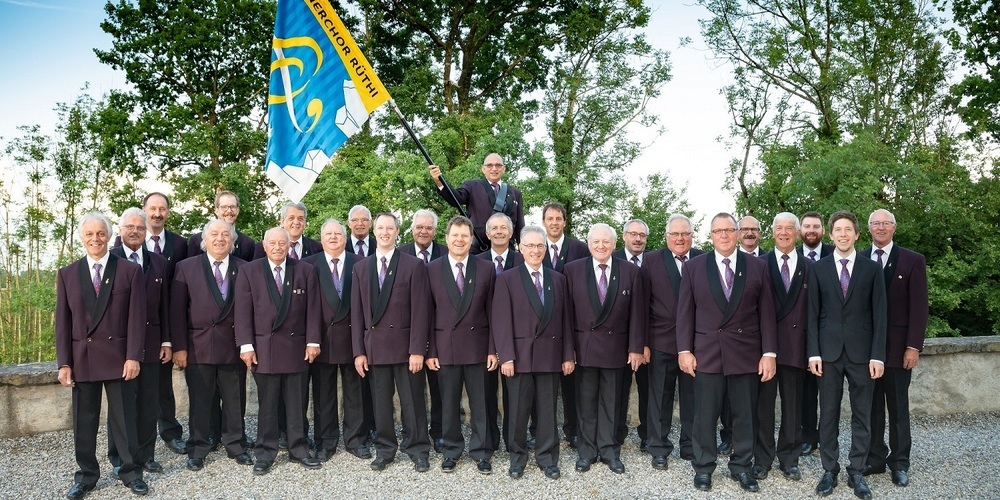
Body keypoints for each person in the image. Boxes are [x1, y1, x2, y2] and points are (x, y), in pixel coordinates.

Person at [677, 212, 778, 493]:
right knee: (705, 415)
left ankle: (742, 467)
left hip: (746, 353)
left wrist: (769, 353)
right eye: (718, 231)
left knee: (744, 415)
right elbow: (685, 312)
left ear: (737, 233)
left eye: (729, 230)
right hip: (707, 352)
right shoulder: (695, 267)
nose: (723, 235)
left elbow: (767, 314)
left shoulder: (757, 267)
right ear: (711, 236)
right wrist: (684, 350)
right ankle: (704, 467)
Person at [56, 212, 149, 498]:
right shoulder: (67, 273)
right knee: (84, 423)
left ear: (110, 236)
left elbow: (137, 317)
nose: (95, 239)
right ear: (82, 238)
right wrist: (64, 363)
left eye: (100, 233)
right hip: (82, 359)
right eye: (89, 234)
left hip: (120, 359)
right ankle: (86, 476)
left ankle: (130, 472)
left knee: (124, 421)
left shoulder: (129, 271)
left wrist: (134, 356)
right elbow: (63, 322)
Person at [807, 210, 887, 499]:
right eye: (837, 230)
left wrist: (878, 356)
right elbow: (812, 314)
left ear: (856, 234)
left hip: (863, 355)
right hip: (827, 355)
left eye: (847, 229)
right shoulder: (818, 269)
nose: (842, 234)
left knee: (862, 415)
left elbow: (880, 314)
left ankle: (857, 470)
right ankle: (830, 470)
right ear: (831, 235)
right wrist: (813, 353)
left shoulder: (871, 269)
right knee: (827, 414)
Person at [235, 227, 323, 475]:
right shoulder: (249, 271)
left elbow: (313, 309)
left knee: (297, 404)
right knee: (268, 404)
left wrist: (313, 341)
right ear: (264, 246)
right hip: (263, 349)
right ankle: (265, 452)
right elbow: (242, 312)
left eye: (281, 243)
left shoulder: (305, 270)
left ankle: (298, 449)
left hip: (297, 348)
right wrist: (246, 345)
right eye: (272, 243)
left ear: (288, 246)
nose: (277, 247)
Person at [351, 213, 433, 473]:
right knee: (381, 405)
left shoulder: (413, 265)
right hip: (375, 349)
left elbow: (421, 311)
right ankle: (385, 449)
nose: (385, 232)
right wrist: (358, 352)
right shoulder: (361, 268)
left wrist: (418, 349)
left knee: (413, 403)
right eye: (380, 228)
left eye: (390, 228)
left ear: (398, 231)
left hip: (406, 349)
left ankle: (418, 448)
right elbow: (357, 314)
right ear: (374, 232)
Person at [493, 225, 576, 480]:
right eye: (530, 245)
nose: (535, 250)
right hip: (518, 358)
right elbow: (501, 320)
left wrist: (567, 354)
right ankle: (517, 458)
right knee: (517, 411)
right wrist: (506, 356)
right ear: (521, 248)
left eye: (540, 246)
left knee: (548, 411)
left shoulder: (558, 279)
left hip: (550, 357)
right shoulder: (507, 278)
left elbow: (566, 321)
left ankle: (547, 458)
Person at [170, 219, 253, 471]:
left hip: (233, 346)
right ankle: (198, 447)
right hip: (198, 346)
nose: (219, 239)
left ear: (232, 241)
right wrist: (179, 347)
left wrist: (247, 345)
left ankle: (235, 444)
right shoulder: (186, 267)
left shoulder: (245, 268)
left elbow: (250, 311)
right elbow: (177, 311)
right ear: (204, 241)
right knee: (200, 401)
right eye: (214, 234)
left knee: (234, 399)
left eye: (225, 234)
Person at [565, 223, 647, 475]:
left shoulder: (630, 271)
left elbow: (637, 313)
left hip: (616, 348)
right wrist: (569, 352)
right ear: (588, 244)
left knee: (612, 403)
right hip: (584, 348)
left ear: (614, 244)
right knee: (586, 402)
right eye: (596, 242)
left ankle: (610, 451)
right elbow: (566, 315)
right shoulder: (572, 270)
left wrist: (635, 348)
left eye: (606, 242)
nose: (601, 246)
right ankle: (587, 452)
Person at [116, 192, 188, 456]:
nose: (157, 213)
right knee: (128, 398)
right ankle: (126, 450)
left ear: (168, 212)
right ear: (145, 211)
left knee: (160, 390)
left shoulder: (179, 246)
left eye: (162, 209)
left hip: (159, 330)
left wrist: (170, 339)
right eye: (152, 209)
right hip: (124, 337)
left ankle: (167, 435)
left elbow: (174, 295)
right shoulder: (115, 252)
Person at [426, 216, 499, 474]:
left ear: (471, 239)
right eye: (455, 235)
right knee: (447, 404)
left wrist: (493, 349)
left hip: (478, 349)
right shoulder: (432, 269)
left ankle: (481, 451)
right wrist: (430, 350)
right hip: (444, 349)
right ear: (446, 238)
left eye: (464, 236)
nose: (459, 240)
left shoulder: (486, 268)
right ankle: (451, 450)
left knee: (481, 403)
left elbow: (494, 313)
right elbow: (427, 313)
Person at [861, 209, 927, 488]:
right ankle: (874, 457)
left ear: (894, 228)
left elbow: (919, 307)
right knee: (871, 408)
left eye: (885, 223)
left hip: (900, 350)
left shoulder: (912, 260)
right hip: (865, 351)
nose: (880, 228)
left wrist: (913, 346)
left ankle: (900, 463)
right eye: (875, 224)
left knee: (898, 408)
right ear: (869, 229)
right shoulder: (859, 258)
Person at [107, 209, 171, 478]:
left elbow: (165, 306)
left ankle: (146, 455)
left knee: (148, 402)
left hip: (152, 343)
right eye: (129, 226)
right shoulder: (110, 260)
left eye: (140, 227)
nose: (134, 231)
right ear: (119, 230)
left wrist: (167, 340)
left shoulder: (158, 262)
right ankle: (121, 458)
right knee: (121, 406)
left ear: (147, 232)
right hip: (119, 346)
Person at [302, 219, 371, 461]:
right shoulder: (308, 265)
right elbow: (307, 307)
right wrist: (312, 339)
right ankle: (325, 442)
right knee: (323, 396)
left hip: (353, 340)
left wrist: (363, 343)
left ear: (346, 237)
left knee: (356, 394)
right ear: (321, 239)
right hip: (323, 341)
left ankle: (356, 440)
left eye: (337, 234)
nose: (333, 237)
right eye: (328, 234)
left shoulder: (361, 263)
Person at [753, 212, 811, 482]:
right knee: (763, 408)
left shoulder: (811, 266)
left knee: (793, 407)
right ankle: (762, 459)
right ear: (772, 232)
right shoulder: (759, 265)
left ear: (798, 233)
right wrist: (764, 349)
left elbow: (815, 312)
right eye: (780, 228)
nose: (784, 233)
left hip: (797, 348)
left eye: (790, 228)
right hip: (766, 349)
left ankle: (789, 458)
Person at [643, 214, 704, 470]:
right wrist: (643, 342)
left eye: (685, 234)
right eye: (675, 234)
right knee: (660, 397)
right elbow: (641, 305)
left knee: (693, 397)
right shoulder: (650, 261)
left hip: (696, 343)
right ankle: (658, 447)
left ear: (692, 236)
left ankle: (689, 445)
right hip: (661, 340)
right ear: (666, 237)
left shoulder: (703, 259)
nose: (680, 239)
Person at [540, 202, 589, 448]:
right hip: (541, 329)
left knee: (573, 385)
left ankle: (574, 430)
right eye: (550, 218)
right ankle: (538, 430)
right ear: (544, 222)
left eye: (559, 218)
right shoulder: (534, 247)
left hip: (572, 324)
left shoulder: (580, 248)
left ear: (565, 222)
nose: (554, 222)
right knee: (541, 387)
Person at [399, 209, 445, 453]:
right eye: (420, 227)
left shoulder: (447, 253)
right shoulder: (400, 255)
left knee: (439, 389)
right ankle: (412, 433)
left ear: (435, 231)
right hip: (410, 335)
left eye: (428, 228)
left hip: (440, 332)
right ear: (412, 229)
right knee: (411, 391)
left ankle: (439, 433)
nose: (424, 231)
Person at [479, 213, 522, 452]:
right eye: (493, 228)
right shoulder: (476, 261)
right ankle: (489, 441)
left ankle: (513, 442)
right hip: (484, 338)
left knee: (515, 396)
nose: (498, 232)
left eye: (503, 228)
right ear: (487, 233)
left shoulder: (523, 259)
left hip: (516, 338)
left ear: (511, 232)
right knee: (485, 395)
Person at [429, 152, 525, 252]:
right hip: (479, 248)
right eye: (489, 165)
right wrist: (439, 182)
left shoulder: (515, 193)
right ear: (483, 169)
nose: (494, 168)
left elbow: (520, 224)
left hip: (506, 248)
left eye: (498, 165)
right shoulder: (472, 186)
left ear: (503, 169)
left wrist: (522, 245)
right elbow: (455, 199)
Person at [611, 219, 651, 452]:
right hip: (614, 341)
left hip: (643, 340)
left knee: (648, 389)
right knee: (617, 390)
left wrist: (643, 341)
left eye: (642, 235)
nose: (638, 239)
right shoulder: (610, 258)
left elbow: (648, 306)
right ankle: (616, 433)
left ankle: (646, 434)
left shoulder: (653, 262)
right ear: (623, 236)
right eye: (633, 234)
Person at [798, 210, 834, 456]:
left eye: (816, 226)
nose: (811, 230)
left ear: (823, 231)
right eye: (807, 226)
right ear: (801, 230)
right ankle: (809, 436)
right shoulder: (789, 255)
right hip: (800, 335)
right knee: (807, 391)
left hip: (830, 335)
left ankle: (828, 438)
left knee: (829, 393)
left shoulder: (838, 254)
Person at [188, 191, 256, 262]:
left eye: (233, 207)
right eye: (224, 207)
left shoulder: (248, 244)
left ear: (238, 210)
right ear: (216, 210)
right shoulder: (196, 240)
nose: (229, 211)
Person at [251, 202, 322, 260]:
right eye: (291, 218)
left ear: (305, 222)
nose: (296, 222)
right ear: (282, 221)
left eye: (300, 219)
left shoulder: (317, 248)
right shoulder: (262, 248)